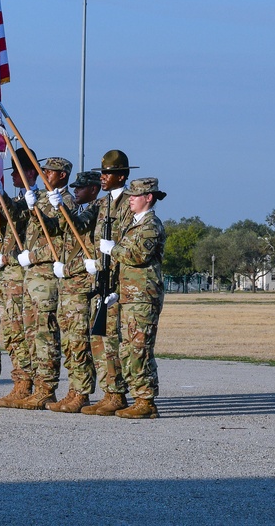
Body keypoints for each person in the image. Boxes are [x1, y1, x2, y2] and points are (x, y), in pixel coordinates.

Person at [96, 175, 167, 419]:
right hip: (129, 295)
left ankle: (146, 401)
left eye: (135, 196)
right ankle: (137, 397)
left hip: (143, 298)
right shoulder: (133, 224)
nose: (130, 200)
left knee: (140, 349)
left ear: (148, 198)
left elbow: (138, 256)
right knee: (128, 348)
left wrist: (112, 248)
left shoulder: (151, 225)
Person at [14, 154, 74, 410]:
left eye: (49, 172)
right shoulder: (38, 199)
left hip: (47, 276)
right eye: (44, 171)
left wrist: (33, 255)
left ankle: (46, 389)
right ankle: (35, 386)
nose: (45, 175)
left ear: (61, 175)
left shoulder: (66, 201)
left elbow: (60, 243)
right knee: (30, 335)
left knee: (45, 334)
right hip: (31, 276)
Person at [81, 148, 137, 416]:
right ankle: (108, 392)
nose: (102, 177)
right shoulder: (101, 204)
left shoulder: (129, 203)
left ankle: (117, 394)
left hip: (117, 280)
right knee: (99, 340)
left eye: (108, 173)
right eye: (102, 172)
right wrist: (57, 206)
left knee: (113, 340)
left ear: (122, 176)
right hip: (99, 277)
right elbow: (78, 224)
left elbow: (128, 243)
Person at [47, 167, 102, 413]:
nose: (76, 191)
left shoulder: (96, 209)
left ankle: (82, 392)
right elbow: (58, 229)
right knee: (69, 342)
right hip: (67, 284)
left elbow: (77, 226)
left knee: (79, 341)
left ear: (93, 189)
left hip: (81, 285)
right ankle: (73, 388)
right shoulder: (81, 208)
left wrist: (62, 206)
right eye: (75, 187)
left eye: (80, 187)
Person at [0, 149, 36, 408]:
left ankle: (26, 384)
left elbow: (19, 214)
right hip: (8, 278)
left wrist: (4, 197)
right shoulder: (21, 197)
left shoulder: (36, 199)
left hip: (21, 277)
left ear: (30, 172)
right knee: (11, 333)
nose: (13, 176)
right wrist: (0, 196)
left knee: (21, 333)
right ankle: (20, 382)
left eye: (17, 172)